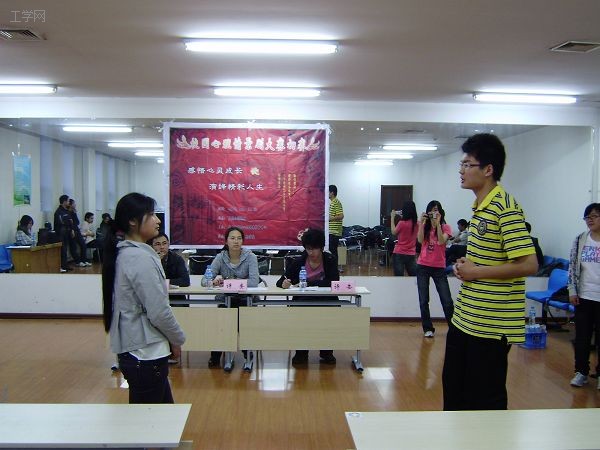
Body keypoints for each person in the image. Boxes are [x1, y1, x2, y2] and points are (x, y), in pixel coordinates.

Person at [444, 133, 538, 411]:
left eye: (467, 164)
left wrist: (476, 272)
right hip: (465, 318)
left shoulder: (504, 207)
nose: (461, 170)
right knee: (454, 392)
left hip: (491, 327)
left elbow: (529, 264)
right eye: (461, 164)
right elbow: (488, 260)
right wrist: (466, 267)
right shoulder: (480, 207)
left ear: (488, 169)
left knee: (484, 403)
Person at [102, 192, 185, 404]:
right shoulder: (139, 257)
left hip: (139, 350)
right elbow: (159, 312)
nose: (158, 220)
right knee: (149, 418)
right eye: (151, 215)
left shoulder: (128, 253)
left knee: (161, 414)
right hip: (145, 353)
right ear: (132, 221)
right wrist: (177, 338)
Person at [276, 228, 340, 365]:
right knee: (300, 317)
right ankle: (301, 352)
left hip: (326, 299)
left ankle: (326, 352)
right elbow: (280, 281)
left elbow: (334, 281)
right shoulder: (299, 261)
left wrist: (310, 283)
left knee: (329, 317)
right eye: (308, 249)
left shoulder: (329, 259)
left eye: (315, 249)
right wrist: (284, 283)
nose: (311, 252)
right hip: (303, 300)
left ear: (321, 247)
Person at [201, 226, 259, 368]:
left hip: (246, 299)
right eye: (232, 238)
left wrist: (230, 282)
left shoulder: (250, 257)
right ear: (226, 241)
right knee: (222, 323)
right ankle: (216, 355)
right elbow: (204, 281)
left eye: (239, 238)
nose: (236, 241)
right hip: (225, 299)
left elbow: (254, 281)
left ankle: (247, 355)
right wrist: (213, 281)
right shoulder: (220, 257)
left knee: (240, 320)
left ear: (243, 241)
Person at [568, 203, 600, 388]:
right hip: (584, 296)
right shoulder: (580, 239)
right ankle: (581, 372)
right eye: (587, 217)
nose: (590, 220)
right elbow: (572, 266)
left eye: (594, 216)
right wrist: (572, 290)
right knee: (582, 338)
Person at [416, 200, 454, 337]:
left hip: (439, 267)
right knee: (423, 300)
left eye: (436, 210)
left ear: (441, 212)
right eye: (431, 210)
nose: (434, 212)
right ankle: (427, 328)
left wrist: (437, 224)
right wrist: (422, 223)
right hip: (423, 266)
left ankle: (454, 329)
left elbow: (441, 241)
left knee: (447, 300)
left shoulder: (446, 227)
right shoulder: (424, 226)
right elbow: (420, 241)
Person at [390, 200, 418, 276]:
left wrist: (392, 218)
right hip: (411, 253)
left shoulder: (402, 223)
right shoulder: (417, 224)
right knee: (413, 277)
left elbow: (393, 232)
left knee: (399, 278)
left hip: (399, 253)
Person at [54, 194, 75, 272]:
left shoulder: (67, 211)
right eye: (68, 201)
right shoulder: (58, 212)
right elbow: (61, 222)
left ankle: (65, 265)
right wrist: (68, 223)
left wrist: (72, 230)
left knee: (65, 249)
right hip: (60, 233)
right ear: (64, 202)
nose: (69, 202)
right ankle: (62, 266)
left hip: (67, 233)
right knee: (62, 250)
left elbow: (71, 221)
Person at [68, 199, 91, 267]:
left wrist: (75, 213)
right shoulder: (67, 212)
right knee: (73, 247)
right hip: (71, 231)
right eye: (74, 203)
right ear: (70, 204)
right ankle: (78, 262)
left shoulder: (73, 212)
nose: (75, 205)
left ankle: (84, 260)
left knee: (83, 245)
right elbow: (70, 223)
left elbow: (77, 222)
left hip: (77, 230)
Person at [328, 184, 344, 267]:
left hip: (334, 232)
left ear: (332, 193)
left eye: (327, 192)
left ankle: (334, 268)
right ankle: (333, 267)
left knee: (333, 251)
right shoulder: (332, 203)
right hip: (331, 231)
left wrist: (330, 218)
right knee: (332, 251)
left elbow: (341, 216)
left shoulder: (336, 202)